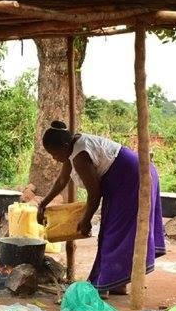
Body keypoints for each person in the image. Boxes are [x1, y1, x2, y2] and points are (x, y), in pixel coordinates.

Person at [37, 121, 165, 295]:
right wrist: (43, 204)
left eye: (54, 153)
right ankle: (115, 283)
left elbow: (95, 193)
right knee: (113, 231)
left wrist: (86, 219)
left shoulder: (80, 155)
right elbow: (61, 181)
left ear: (65, 146)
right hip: (130, 177)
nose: (54, 158)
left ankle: (108, 283)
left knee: (116, 233)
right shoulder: (72, 149)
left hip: (133, 178)